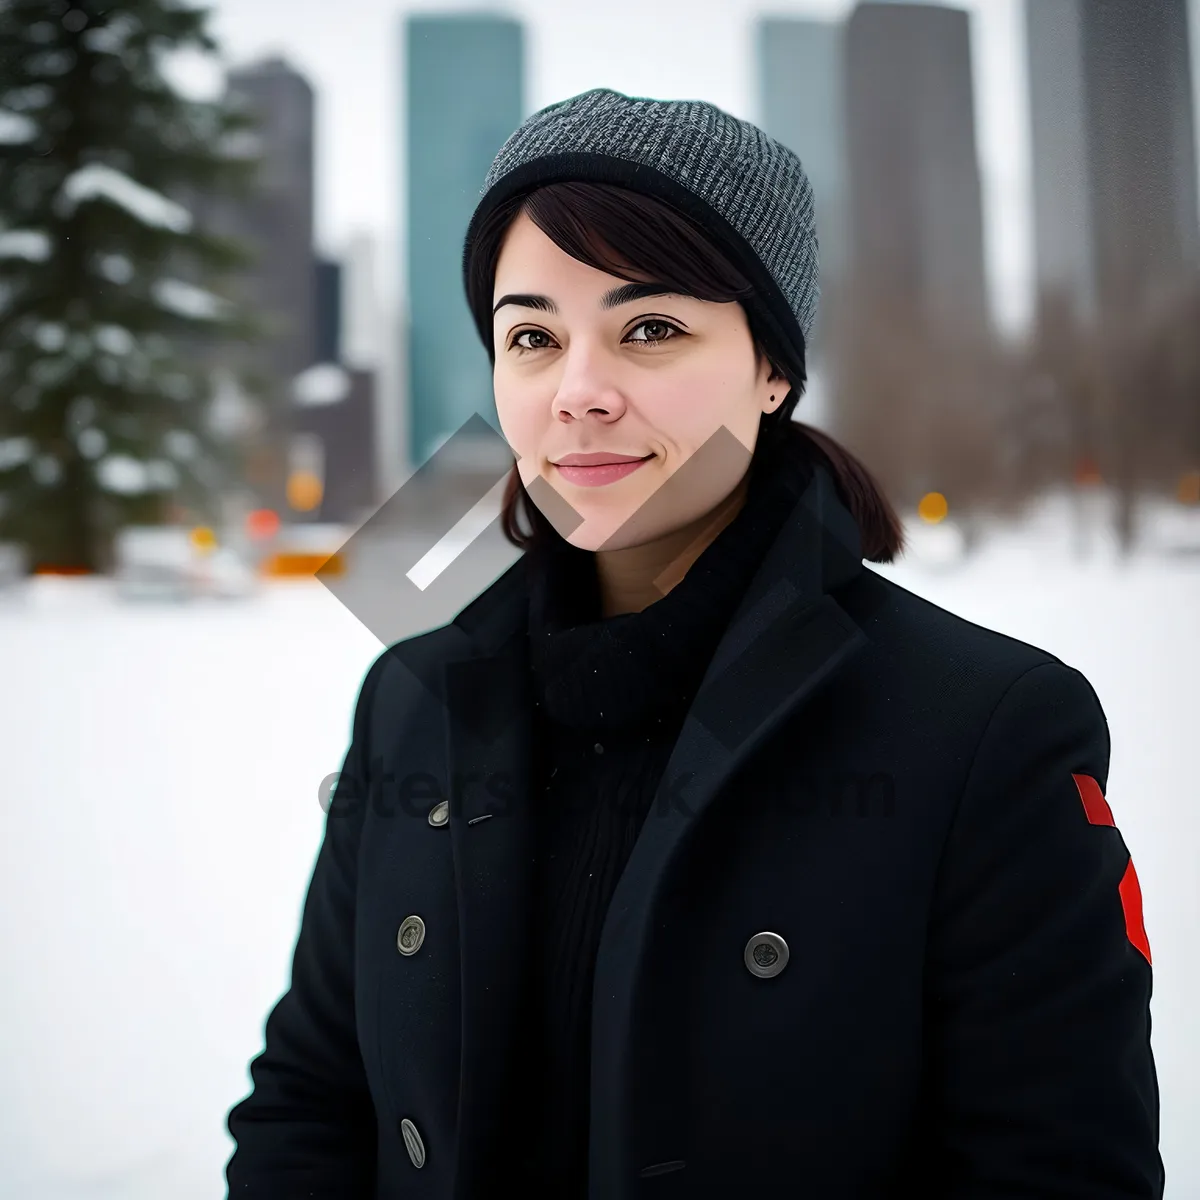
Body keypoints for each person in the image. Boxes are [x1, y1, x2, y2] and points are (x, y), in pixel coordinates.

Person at [224, 88, 1163, 1198]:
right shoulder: (413, 695)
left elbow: (1055, 1171)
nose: (579, 393)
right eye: (532, 336)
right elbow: (313, 1100)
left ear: (774, 369)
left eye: (651, 329)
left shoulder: (986, 728)